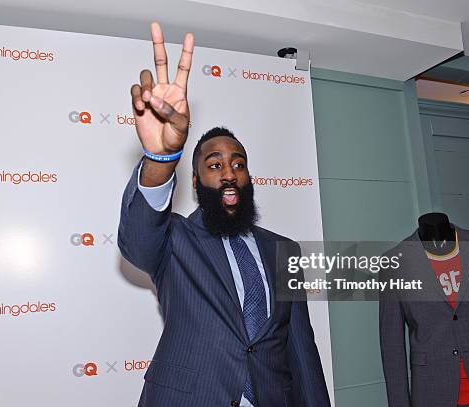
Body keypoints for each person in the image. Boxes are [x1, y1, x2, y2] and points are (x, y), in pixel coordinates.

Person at [118, 22, 331, 407]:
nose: (229, 173)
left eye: (238, 164)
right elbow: (137, 239)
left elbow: (301, 349)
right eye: (215, 166)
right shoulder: (175, 239)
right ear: (197, 181)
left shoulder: (285, 251)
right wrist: (161, 158)